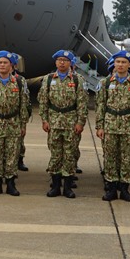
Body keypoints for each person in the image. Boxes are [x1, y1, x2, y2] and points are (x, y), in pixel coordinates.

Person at [38, 49, 88, 199]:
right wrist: (44, 120)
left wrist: (80, 122)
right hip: (53, 121)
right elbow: (43, 101)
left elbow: (82, 103)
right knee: (55, 155)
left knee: (69, 155)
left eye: (65, 60)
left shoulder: (78, 80)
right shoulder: (48, 79)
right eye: (59, 60)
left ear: (70, 63)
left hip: (71, 122)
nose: (61, 62)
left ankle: (67, 187)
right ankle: (55, 186)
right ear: (55, 62)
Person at [0, 50, 31, 196]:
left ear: (11, 66)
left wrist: (23, 124)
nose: (2, 65)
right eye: (0, 63)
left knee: (12, 153)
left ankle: (10, 182)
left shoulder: (19, 82)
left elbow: (23, 104)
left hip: (13, 122)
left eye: (5, 63)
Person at [95, 51, 130, 202]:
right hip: (110, 124)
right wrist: (99, 126)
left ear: (129, 65)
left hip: (128, 126)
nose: (120, 65)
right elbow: (100, 105)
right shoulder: (106, 83)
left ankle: (125, 189)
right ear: (114, 64)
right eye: (118, 62)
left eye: (124, 62)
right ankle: (112, 188)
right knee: (110, 157)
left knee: (127, 158)